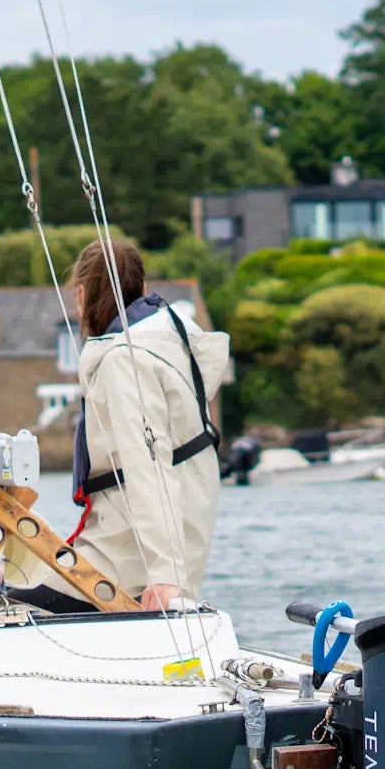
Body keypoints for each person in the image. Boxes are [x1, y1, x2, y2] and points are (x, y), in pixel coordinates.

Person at [17, 240, 231, 612]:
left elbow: (148, 463)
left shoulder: (124, 362)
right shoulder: (170, 341)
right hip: (167, 527)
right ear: (142, 290)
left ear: (82, 293)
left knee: (15, 607)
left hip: (133, 555)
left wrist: (166, 575)